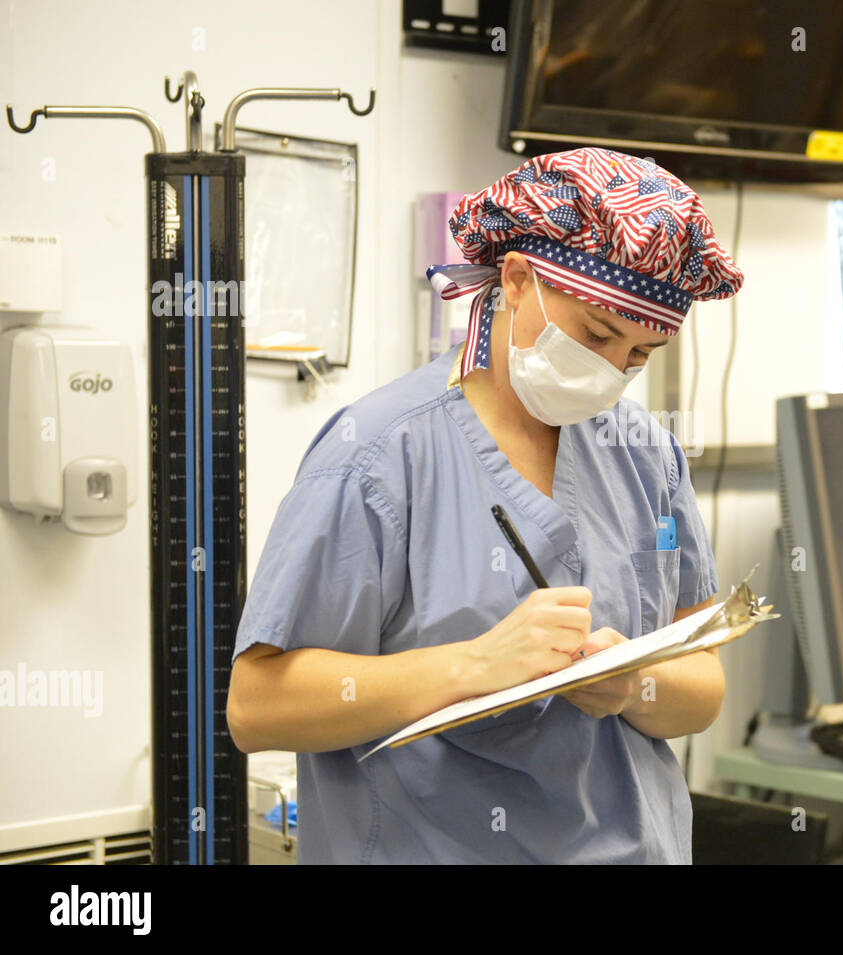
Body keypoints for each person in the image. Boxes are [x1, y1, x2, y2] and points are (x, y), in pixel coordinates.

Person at [227, 147, 745, 863]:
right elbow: (257, 706)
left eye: (638, 355)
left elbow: (704, 686)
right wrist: (473, 665)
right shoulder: (379, 455)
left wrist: (633, 682)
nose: (611, 374)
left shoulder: (643, 455)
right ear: (518, 277)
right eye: (596, 336)